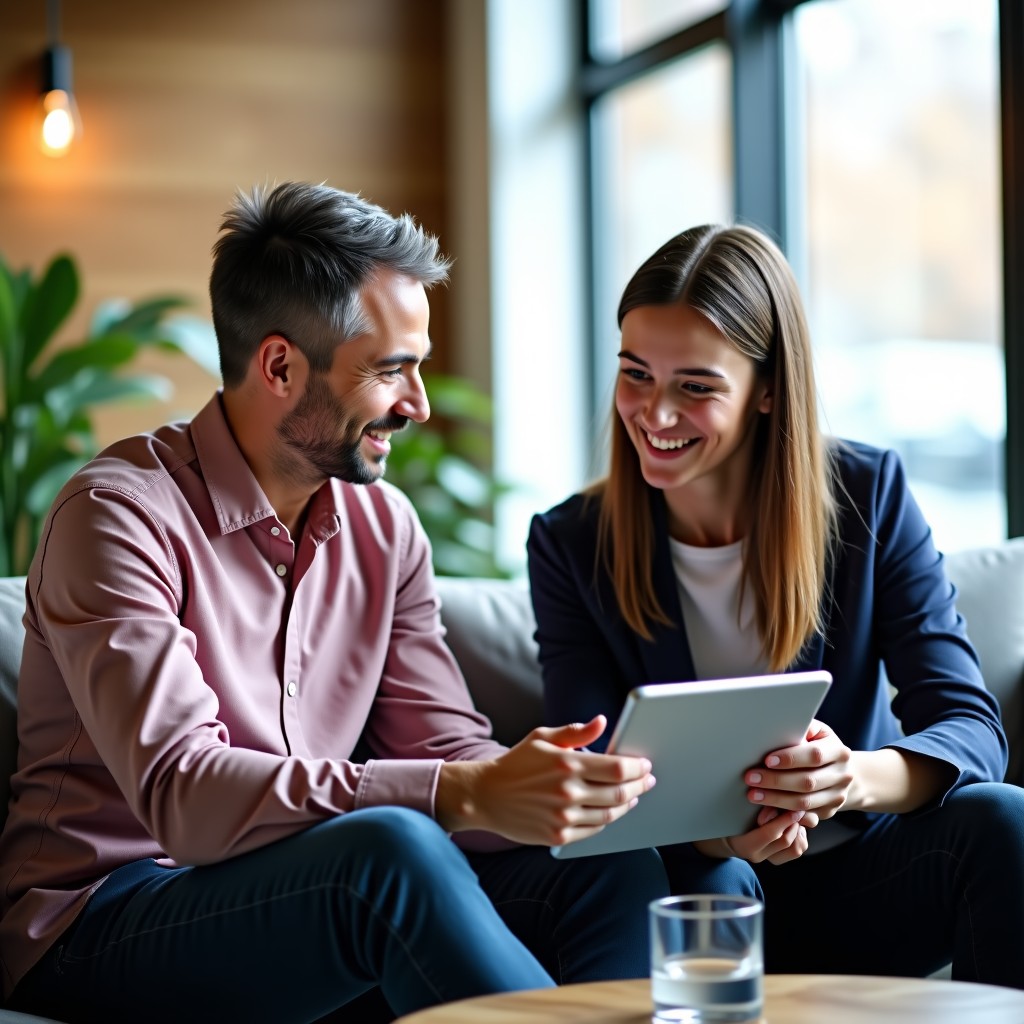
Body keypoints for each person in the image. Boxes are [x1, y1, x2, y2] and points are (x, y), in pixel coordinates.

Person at [0, 182, 667, 1024]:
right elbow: (185, 797)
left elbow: (442, 745)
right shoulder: (118, 517)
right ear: (280, 366)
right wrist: (461, 792)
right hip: (105, 914)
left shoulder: (383, 528)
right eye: (392, 370)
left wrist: (550, 786)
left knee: (611, 861)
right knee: (388, 852)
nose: (418, 403)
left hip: (296, 895)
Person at [527, 223, 1024, 988]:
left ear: (766, 391)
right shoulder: (571, 542)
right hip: (698, 888)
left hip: (866, 880)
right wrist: (725, 842)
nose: (654, 415)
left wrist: (849, 777)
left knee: (1004, 819)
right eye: (635, 374)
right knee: (714, 886)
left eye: (695, 386)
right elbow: (591, 770)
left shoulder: (867, 495)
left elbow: (970, 727)